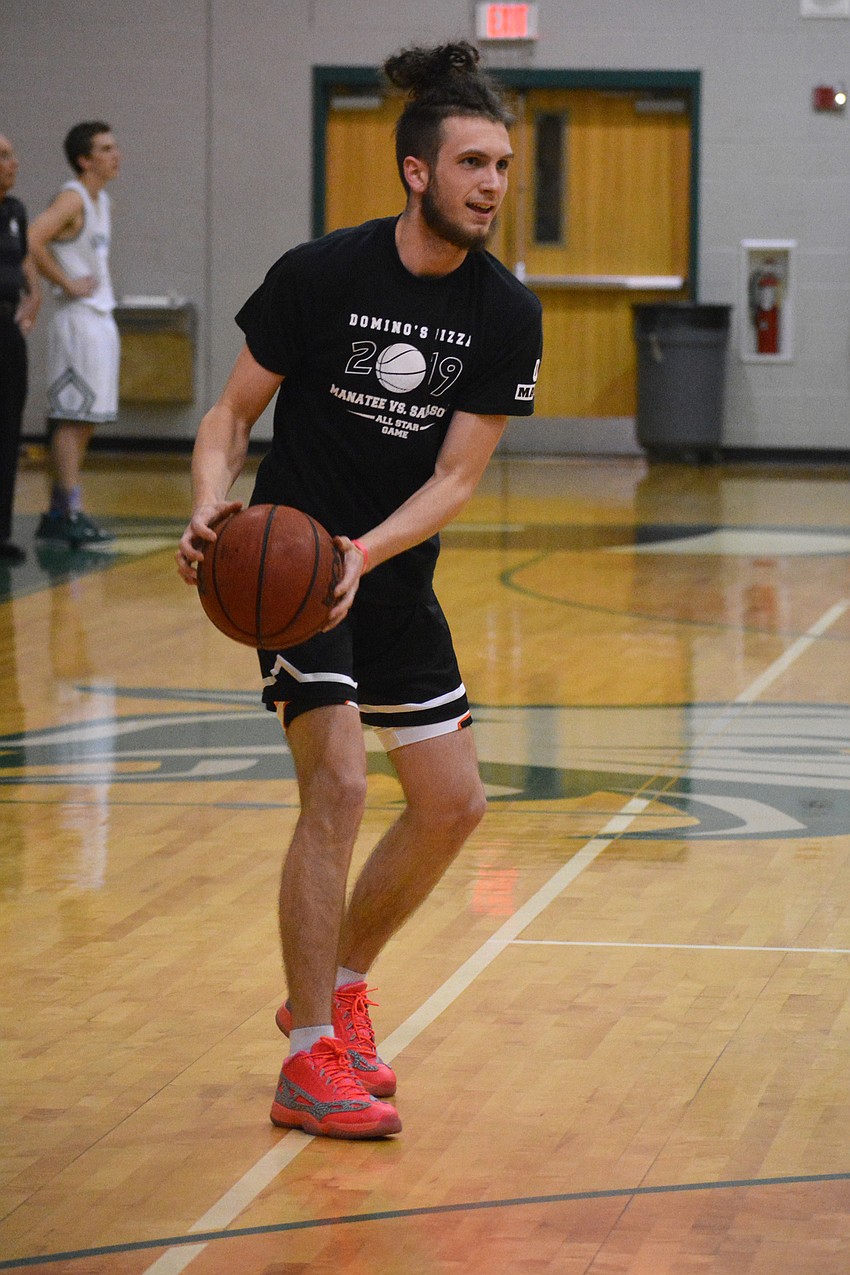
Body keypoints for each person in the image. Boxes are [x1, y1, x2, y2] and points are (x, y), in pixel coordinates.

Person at [177, 41, 542, 1140]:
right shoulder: (321, 274)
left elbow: (457, 478)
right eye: (472, 163)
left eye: (503, 165)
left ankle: (336, 987)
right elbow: (229, 414)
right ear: (416, 171)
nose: (492, 184)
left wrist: (364, 555)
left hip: (381, 571)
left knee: (453, 805)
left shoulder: (504, 311)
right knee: (337, 785)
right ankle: (305, 1061)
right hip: (292, 577)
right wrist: (210, 502)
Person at [28, 121, 121, 547]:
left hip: (98, 318)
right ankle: (69, 510)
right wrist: (64, 283)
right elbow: (33, 239)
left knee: (86, 421)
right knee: (72, 418)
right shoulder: (72, 197)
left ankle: (56, 510)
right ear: (84, 159)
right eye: (105, 148)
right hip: (77, 320)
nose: (116, 155)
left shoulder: (103, 201)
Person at [0, 134, 41, 563]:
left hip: (7, 327)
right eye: (3, 156)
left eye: (12, 155)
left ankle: (2, 532)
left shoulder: (14, 210)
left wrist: (33, 299)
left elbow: (25, 260)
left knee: (9, 427)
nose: (13, 163)